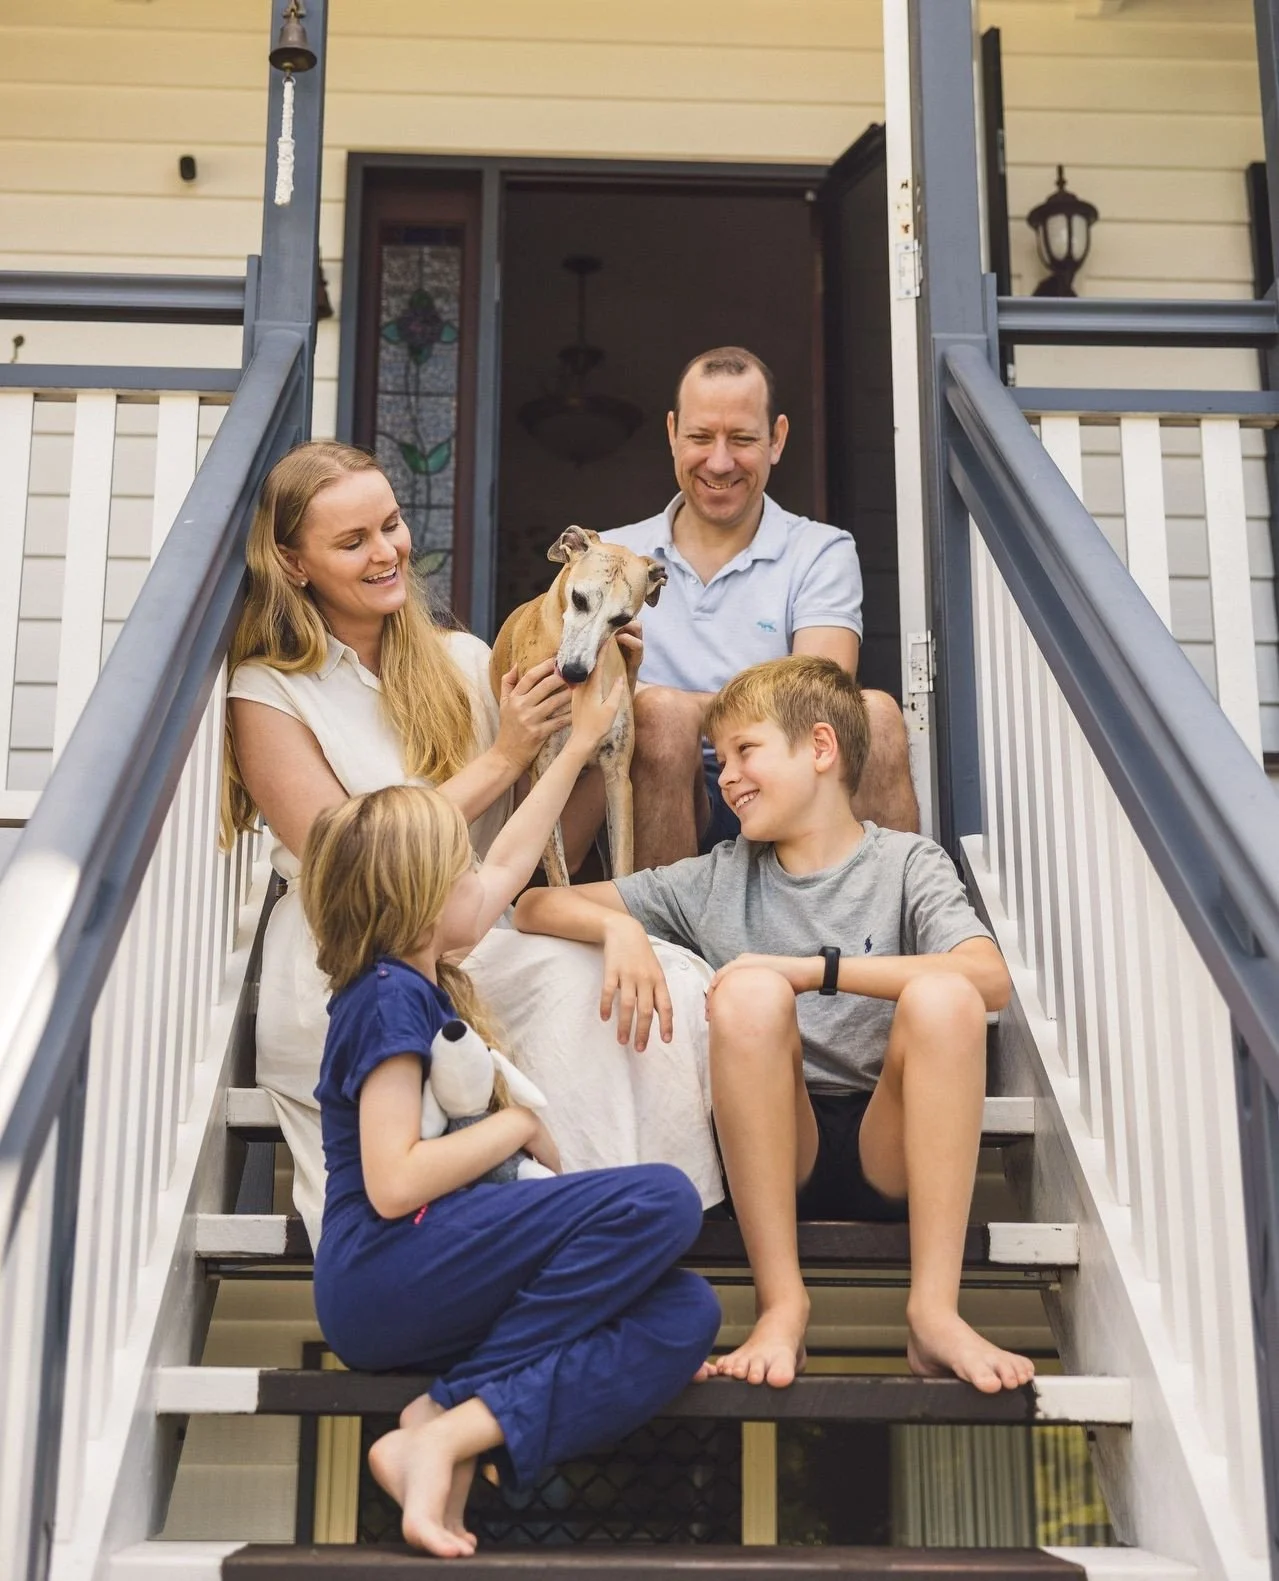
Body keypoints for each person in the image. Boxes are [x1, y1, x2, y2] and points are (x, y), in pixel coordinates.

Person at [223, 441, 721, 1253]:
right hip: (354, 961)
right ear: (293, 561)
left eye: (389, 525)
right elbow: (360, 859)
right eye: (352, 542)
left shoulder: (462, 661)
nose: (386, 552)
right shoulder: (268, 692)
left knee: (657, 979)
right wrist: (505, 756)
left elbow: (548, 842)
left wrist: (593, 720)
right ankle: (574, 1238)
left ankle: (623, 1230)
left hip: (477, 928)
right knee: (578, 988)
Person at [514, 655, 1034, 1396]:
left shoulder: (906, 863)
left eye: (744, 751)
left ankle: (932, 1310)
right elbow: (533, 907)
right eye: (717, 759)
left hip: (889, 1145)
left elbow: (988, 979)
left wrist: (814, 971)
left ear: (819, 748)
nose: (724, 777)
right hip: (773, 1147)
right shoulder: (718, 875)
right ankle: (780, 1304)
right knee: (749, 995)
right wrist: (621, 934)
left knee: (945, 995)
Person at [300, 772, 721, 1557]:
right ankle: (440, 1423)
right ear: (423, 898)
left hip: (433, 1270)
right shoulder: (387, 995)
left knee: (684, 1313)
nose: (480, 881)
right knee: (660, 1200)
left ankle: (447, 1425)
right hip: (384, 1266)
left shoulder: (422, 987)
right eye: (463, 871)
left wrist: (580, 746)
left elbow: (507, 867)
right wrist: (518, 1124)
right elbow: (392, 1181)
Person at [600, 345, 920, 871]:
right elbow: (586, 701)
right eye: (701, 437)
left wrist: (678, 704)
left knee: (876, 715)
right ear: (672, 434)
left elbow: (822, 693)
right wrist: (673, 712)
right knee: (658, 720)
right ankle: (662, 947)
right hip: (656, 781)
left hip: (787, 782)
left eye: (743, 439)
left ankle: (888, 937)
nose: (720, 462)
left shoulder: (820, 549)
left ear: (778, 439)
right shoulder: (612, 555)